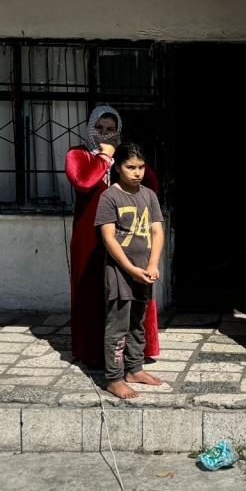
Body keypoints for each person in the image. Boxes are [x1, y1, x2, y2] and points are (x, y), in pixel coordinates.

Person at [65, 105, 160, 367]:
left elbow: (151, 183)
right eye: (99, 128)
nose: (104, 134)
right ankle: (94, 352)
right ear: (90, 128)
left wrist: (121, 156)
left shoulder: (123, 158)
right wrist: (104, 157)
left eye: (110, 129)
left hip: (126, 234)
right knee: (92, 290)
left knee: (129, 290)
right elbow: (83, 181)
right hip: (89, 236)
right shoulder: (78, 154)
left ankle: (133, 354)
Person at [94, 142, 165, 399]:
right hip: (120, 273)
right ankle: (114, 378)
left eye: (141, 167)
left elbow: (157, 231)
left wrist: (152, 264)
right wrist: (130, 268)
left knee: (138, 322)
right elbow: (109, 239)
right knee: (118, 326)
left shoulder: (149, 196)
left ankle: (134, 368)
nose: (137, 173)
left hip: (143, 272)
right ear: (118, 168)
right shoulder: (109, 197)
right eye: (130, 167)